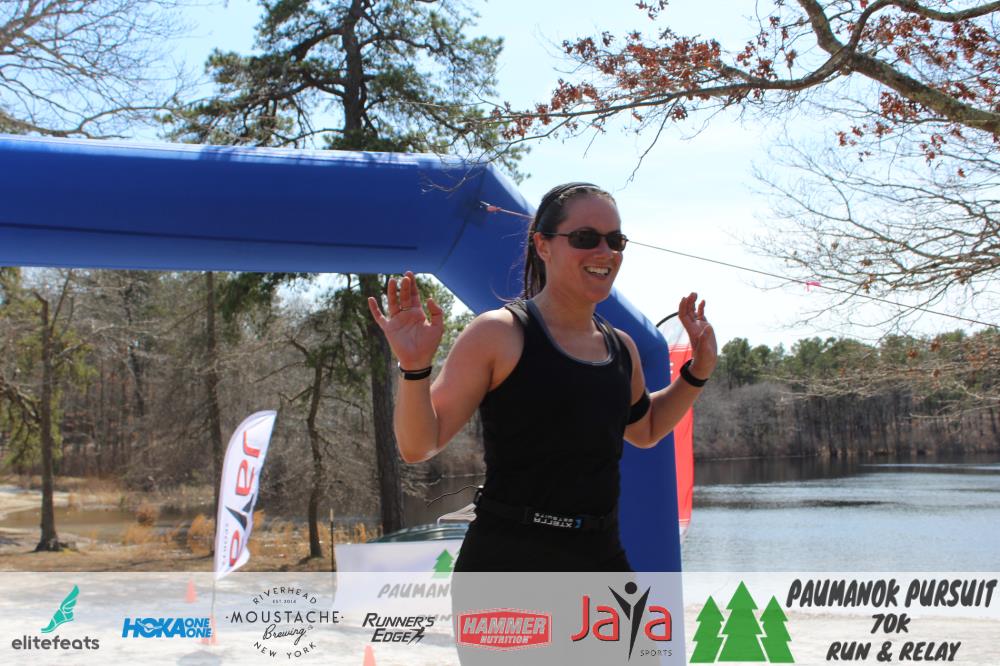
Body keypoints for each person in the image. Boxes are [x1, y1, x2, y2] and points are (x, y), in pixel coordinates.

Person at [367, 182, 717, 571]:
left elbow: (646, 428)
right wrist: (414, 367)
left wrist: (697, 372)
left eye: (615, 240)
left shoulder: (622, 347)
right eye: (586, 238)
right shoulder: (498, 333)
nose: (605, 252)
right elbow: (418, 446)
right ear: (543, 245)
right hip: (509, 563)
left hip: (601, 557)